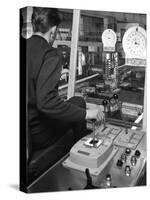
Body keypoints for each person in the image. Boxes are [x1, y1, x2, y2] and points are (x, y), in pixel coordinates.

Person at [27, 7, 104, 151]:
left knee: (77, 101)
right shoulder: (50, 54)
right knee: (80, 105)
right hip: (38, 134)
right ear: (53, 30)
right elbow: (46, 102)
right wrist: (88, 113)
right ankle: (82, 153)